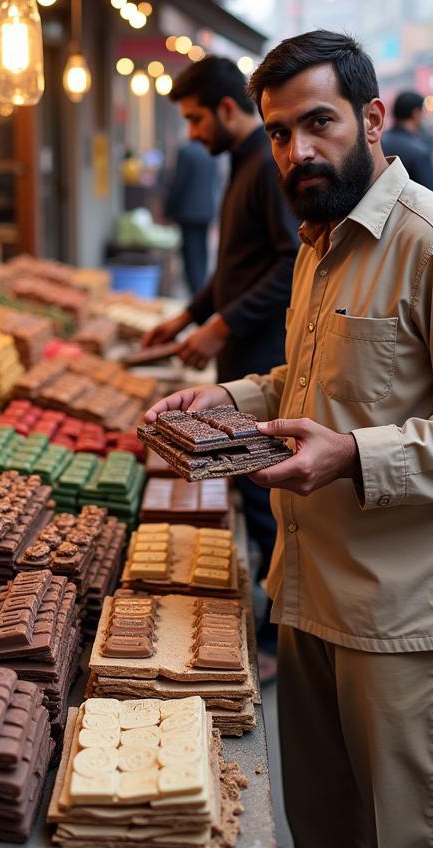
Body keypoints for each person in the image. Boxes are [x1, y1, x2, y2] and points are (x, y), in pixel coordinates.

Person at [145, 30, 433, 847]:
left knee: (414, 830)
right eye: (280, 133)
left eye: (318, 123)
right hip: (307, 588)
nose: (298, 150)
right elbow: (308, 377)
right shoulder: (317, 241)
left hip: (401, 604)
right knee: (325, 824)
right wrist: (222, 397)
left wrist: (354, 455)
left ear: (372, 117)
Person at [142, 55, 298, 679]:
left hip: (262, 367)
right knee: (252, 495)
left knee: (266, 501)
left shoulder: (266, 167)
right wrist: (187, 317)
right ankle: (270, 621)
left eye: (196, 118)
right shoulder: (240, 165)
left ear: (228, 109)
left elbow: (286, 266)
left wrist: (221, 326)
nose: (192, 133)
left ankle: (277, 636)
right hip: (238, 362)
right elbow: (233, 267)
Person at [162, 141, 220, 295]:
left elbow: (179, 184)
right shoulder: (211, 151)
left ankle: (196, 293)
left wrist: (168, 210)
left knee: (191, 255)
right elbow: (216, 181)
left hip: (189, 212)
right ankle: (201, 288)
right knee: (202, 252)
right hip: (206, 210)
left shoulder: (186, 152)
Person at [380, 89, 433, 189]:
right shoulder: (419, 153)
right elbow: (430, 198)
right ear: (416, 113)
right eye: (423, 112)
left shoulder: (379, 144)